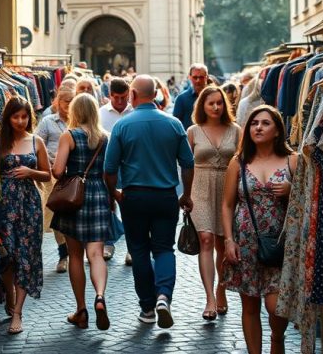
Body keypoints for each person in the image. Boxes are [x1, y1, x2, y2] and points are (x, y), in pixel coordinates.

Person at [104, 76, 194, 329]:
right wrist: (186, 194)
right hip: (165, 196)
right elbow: (187, 163)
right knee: (164, 248)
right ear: (155, 94)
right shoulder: (174, 123)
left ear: (132, 94)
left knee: (140, 250)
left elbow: (109, 168)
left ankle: (147, 307)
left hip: (134, 196)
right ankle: (164, 295)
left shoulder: (123, 126)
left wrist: (115, 193)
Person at [222, 105, 295, 354]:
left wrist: (291, 190)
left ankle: (277, 338)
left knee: (276, 306)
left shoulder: (292, 160)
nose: (258, 127)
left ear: (277, 131)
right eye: (254, 123)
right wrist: (229, 240)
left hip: (280, 243)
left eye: (265, 123)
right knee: (250, 306)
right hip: (246, 241)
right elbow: (228, 204)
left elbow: (309, 201)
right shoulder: (238, 162)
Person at [51, 93, 112, 331]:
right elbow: (109, 171)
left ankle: (81, 310)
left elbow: (57, 171)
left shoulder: (69, 135)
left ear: (75, 112)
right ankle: (100, 296)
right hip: (98, 194)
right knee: (96, 254)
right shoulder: (105, 138)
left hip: (73, 198)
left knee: (75, 256)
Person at [0, 97, 51, 334]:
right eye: (16, 116)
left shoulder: (36, 141)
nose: (21, 121)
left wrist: (31, 172)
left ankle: (17, 312)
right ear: (8, 118)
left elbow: (47, 175)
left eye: (24, 116)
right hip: (5, 204)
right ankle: (9, 293)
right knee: (7, 253)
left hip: (29, 205)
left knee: (26, 255)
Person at [186, 85, 241, 321]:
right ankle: (209, 297)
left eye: (220, 102)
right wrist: (185, 194)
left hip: (227, 189)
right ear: (203, 106)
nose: (216, 107)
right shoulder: (193, 131)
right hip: (200, 189)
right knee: (206, 240)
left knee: (222, 244)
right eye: (211, 103)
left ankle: (221, 289)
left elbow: (243, 162)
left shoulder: (236, 130)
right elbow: (185, 166)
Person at [35, 86, 76, 272]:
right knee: (56, 215)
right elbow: (36, 144)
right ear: (57, 101)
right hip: (53, 176)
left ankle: (76, 251)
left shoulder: (78, 122)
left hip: (74, 176)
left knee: (73, 215)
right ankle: (63, 254)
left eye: (71, 100)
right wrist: (49, 160)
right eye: (65, 100)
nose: (68, 104)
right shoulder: (47, 122)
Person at [98, 77, 132, 262]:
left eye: (123, 97)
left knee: (129, 206)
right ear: (109, 95)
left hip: (129, 166)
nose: (120, 101)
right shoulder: (101, 113)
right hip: (107, 166)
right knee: (107, 205)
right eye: (116, 97)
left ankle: (131, 247)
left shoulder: (133, 111)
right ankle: (108, 243)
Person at [174, 63, 209, 129]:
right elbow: (176, 124)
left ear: (206, 77)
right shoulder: (181, 99)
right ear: (189, 77)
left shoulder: (213, 97)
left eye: (201, 77)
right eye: (195, 77)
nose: (198, 80)